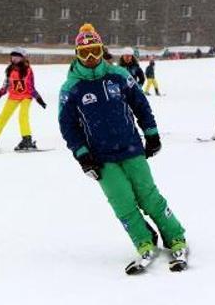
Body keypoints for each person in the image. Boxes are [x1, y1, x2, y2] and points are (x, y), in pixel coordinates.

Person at [58, 28, 188, 274]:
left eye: (94, 52)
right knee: (122, 202)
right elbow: (68, 127)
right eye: (84, 54)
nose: (90, 59)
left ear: (102, 50)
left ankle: (176, 237)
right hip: (101, 159)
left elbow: (141, 104)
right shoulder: (71, 88)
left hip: (131, 149)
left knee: (149, 197)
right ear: (76, 55)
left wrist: (151, 134)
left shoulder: (118, 76)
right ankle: (143, 242)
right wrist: (82, 155)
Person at [0, 48, 47, 153]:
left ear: (23, 58)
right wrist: (0, 92)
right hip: (13, 96)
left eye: (17, 57)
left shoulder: (28, 70)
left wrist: (39, 99)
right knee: (3, 116)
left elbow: (31, 87)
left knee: (22, 116)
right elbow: (6, 85)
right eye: (13, 57)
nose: (14, 59)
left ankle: (27, 140)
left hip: (26, 96)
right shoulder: (9, 70)